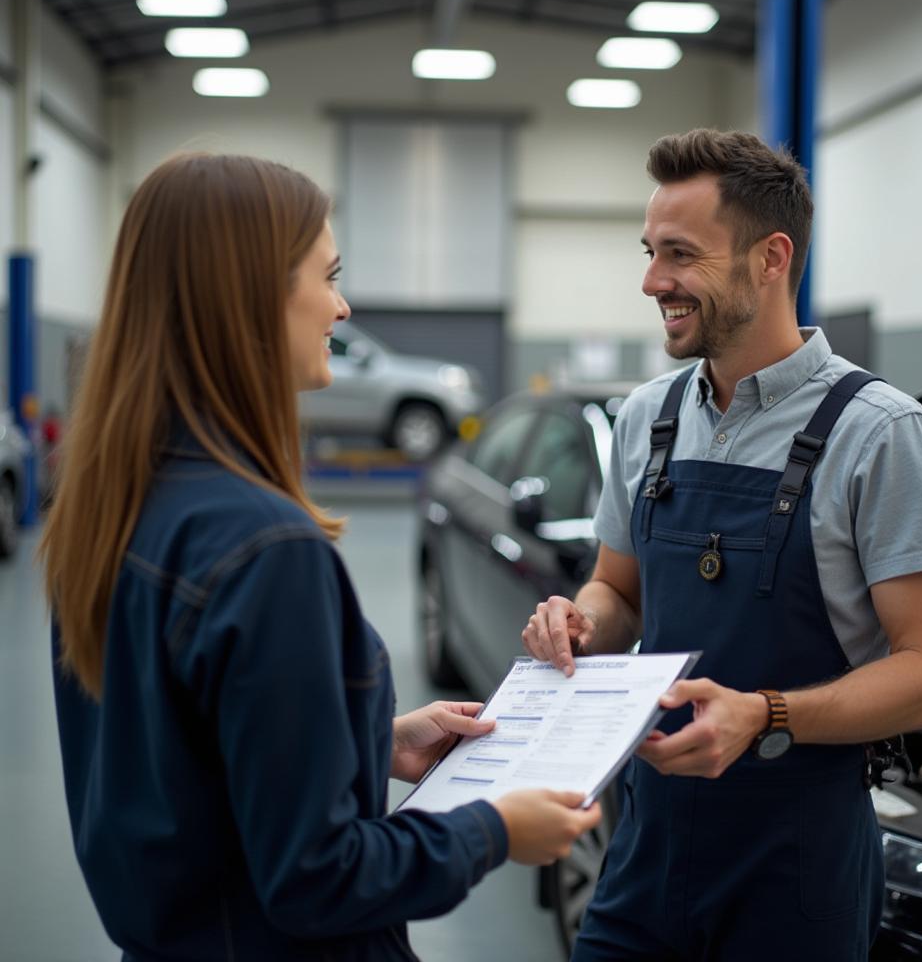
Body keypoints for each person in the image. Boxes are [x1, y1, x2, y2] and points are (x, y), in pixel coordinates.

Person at [41, 153, 600, 962]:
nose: (340, 308)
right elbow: (318, 878)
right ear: (250, 297)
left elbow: (183, 770)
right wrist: (492, 830)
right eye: (328, 276)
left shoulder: (110, 510)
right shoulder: (266, 549)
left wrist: (374, 743)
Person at [522, 129, 922, 961]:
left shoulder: (882, 435)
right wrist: (579, 622)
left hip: (795, 866)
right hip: (644, 850)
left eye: (681, 255)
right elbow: (619, 593)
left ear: (771, 259)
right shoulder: (647, 419)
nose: (653, 281)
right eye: (651, 251)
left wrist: (766, 716)